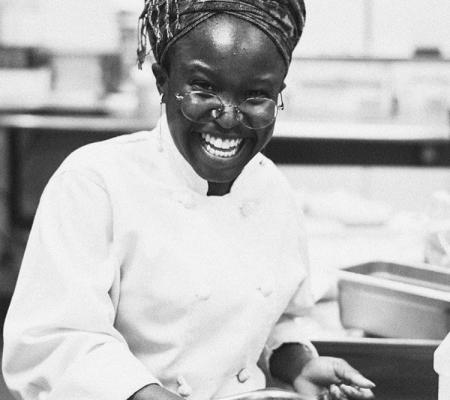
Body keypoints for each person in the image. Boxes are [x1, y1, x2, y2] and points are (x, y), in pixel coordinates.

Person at [2, 1, 375, 400]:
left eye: (256, 96)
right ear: (163, 81)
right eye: (203, 88)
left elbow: (279, 318)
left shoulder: (271, 190)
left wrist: (298, 363)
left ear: (278, 96)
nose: (229, 118)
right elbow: (55, 341)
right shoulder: (95, 183)